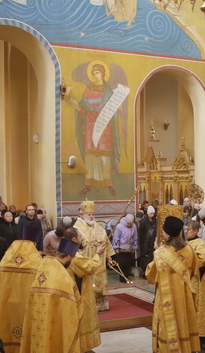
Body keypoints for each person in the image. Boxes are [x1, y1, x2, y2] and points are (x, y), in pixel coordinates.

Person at [17, 238, 82, 353]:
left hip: (38, 326)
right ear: (68, 256)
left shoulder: (43, 268)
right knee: (57, 350)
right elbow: (76, 304)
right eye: (72, 258)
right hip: (56, 327)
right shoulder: (63, 277)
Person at [145, 216, 200, 353]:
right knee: (184, 324)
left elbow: (150, 274)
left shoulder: (161, 253)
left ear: (168, 235)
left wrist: (156, 251)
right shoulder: (189, 249)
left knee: (167, 327)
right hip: (184, 297)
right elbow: (194, 269)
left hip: (166, 298)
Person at [0, 225, 42, 353]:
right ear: (35, 243)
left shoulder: (6, 260)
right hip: (27, 309)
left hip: (6, 308)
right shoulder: (37, 263)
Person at [72, 60, 123, 196]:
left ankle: (108, 183)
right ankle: (89, 183)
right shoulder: (88, 90)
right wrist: (75, 105)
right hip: (90, 125)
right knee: (90, 154)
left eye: (98, 72)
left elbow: (113, 110)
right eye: (94, 73)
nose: (96, 75)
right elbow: (83, 108)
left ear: (103, 73)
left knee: (104, 153)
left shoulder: (109, 92)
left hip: (104, 126)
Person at [66, 226, 108, 353]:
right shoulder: (73, 255)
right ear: (74, 239)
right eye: (80, 236)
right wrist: (98, 253)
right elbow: (90, 267)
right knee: (81, 321)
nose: (82, 238)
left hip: (74, 291)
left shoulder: (66, 250)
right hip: (78, 293)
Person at [73, 201, 114, 311]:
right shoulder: (77, 228)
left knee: (100, 282)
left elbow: (106, 242)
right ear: (82, 215)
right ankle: (89, 305)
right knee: (89, 283)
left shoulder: (98, 227)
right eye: (89, 215)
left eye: (92, 214)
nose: (91, 217)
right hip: (86, 260)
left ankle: (101, 305)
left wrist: (109, 257)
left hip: (100, 260)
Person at [186, 220, 205, 345]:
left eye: (189, 230)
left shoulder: (200, 244)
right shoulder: (185, 243)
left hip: (197, 283)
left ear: (195, 231)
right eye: (186, 229)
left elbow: (200, 261)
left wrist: (186, 255)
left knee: (197, 308)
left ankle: (200, 336)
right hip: (187, 281)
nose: (186, 232)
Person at [111, 213, 138, 283]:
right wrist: (116, 248)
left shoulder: (134, 226)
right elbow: (116, 238)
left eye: (130, 224)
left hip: (129, 248)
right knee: (121, 264)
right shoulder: (119, 226)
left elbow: (135, 237)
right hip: (120, 249)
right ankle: (122, 278)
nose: (129, 225)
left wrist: (134, 247)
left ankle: (127, 276)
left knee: (128, 263)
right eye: (128, 224)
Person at [137, 205, 156, 276]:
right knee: (145, 259)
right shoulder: (143, 222)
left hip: (152, 243)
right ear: (148, 213)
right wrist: (141, 243)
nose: (152, 215)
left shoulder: (155, 221)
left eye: (153, 213)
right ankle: (145, 273)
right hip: (145, 243)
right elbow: (141, 233)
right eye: (151, 213)